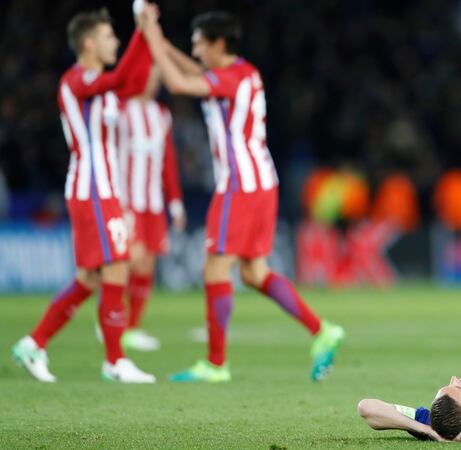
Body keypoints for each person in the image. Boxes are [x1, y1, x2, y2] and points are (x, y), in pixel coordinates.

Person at [137, 6, 345, 382]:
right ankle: (322, 330)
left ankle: (216, 364)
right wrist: (164, 45)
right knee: (252, 272)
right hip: (259, 181)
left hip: (239, 185)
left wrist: (151, 36)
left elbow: (183, 85)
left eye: (199, 44)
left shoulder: (231, 78)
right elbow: (199, 74)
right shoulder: (240, 72)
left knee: (215, 267)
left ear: (218, 43)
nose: (196, 51)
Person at [11, 5, 156, 383]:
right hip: (90, 189)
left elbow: (135, 80)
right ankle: (115, 360)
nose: (117, 42)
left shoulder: (103, 87)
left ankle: (34, 342)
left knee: (91, 278)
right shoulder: (75, 81)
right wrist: (142, 30)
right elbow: (125, 74)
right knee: (116, 268)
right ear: (89, 43)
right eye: (111, 36)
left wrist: (148, 34)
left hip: (105, 189)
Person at [116, 66, 186, 351]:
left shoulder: (161, 115)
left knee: (147, 263)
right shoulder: (120, 112)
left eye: (157, 79)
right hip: (126, 199)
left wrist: (175, 202)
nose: (154, 84)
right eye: (150, 77)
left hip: (153, 201)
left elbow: (168, 160)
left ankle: (132, 328)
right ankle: (112, 318)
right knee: (130, 259)